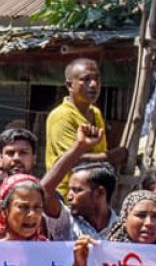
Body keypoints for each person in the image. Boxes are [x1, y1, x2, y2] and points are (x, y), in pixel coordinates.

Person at [45, 58, 123, 191]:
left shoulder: (96, 113)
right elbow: (69, 160)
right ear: (70, 85)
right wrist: (109, 157)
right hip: (67, 195)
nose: (93, 84)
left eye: (97, 79)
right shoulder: (62, 116)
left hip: (93, 193)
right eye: (86, 79)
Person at [56, 162, 118, 240]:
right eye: (70, 189)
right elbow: (45, 192)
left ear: (100, 192)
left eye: (77, 190)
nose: (69, 197)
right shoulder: (66, 221)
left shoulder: (123, 230)